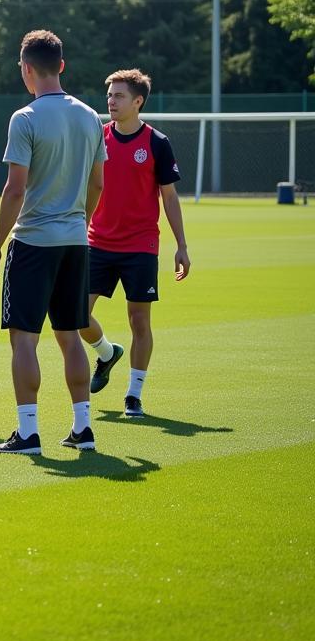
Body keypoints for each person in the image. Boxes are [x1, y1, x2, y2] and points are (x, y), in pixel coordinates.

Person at [0, 30, 106, 454]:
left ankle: (28, 432)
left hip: (33, 241)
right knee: (70, 335)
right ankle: (82, 429)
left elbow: (14, 189)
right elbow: (98, 183)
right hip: (75, 242)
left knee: (24, 339)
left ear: (27, 69)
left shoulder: (26, 118)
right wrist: (80, 222)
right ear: (63, 66)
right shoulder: (92, 117)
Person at [79, 69, 191, 418]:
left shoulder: (157, 142)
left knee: (139, 322)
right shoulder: (97, 137)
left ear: (138, 101)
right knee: (75, 313)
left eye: (119, 96)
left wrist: (181, 245)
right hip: (97, 241)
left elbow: (169, 197)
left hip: (141, 245)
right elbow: (84, 186)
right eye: (110, 95)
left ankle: (134, 395)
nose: (111, 101)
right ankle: (106, 352)